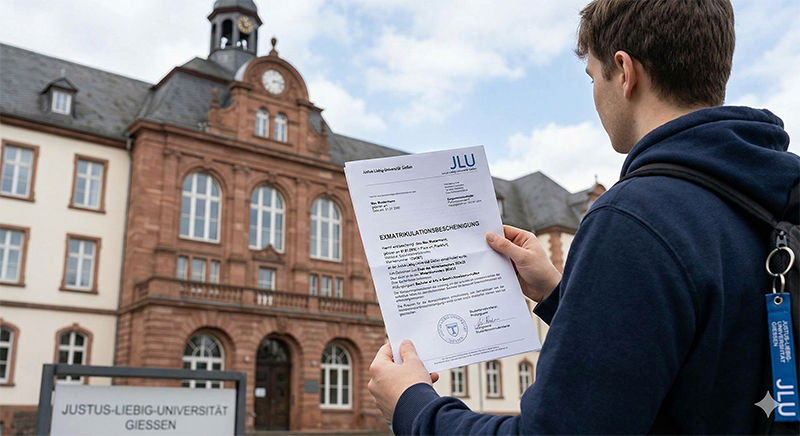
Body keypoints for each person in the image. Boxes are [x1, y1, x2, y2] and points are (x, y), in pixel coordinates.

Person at [368, 0, 800, 434]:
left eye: (593, 77)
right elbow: (697, 355)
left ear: (625, 72)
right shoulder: (769, 194)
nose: (594, 93)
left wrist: (414, 406)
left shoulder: (634, 217)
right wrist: (559, 294)